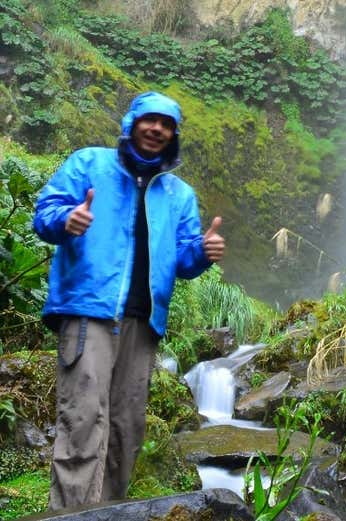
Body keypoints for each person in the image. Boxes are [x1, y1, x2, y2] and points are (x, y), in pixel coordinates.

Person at [33, 91, 225, 509]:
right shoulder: (89, 164)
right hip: (90, 312)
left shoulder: (178, 195)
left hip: (144, 323)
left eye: (166, 124)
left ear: (173, 135)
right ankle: (69, 516)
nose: (156, 129)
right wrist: (67, 219)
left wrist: (202, 253)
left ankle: (107, 512)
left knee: (125, 429)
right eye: (149, 120)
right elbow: (45, 212)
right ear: (131, 123)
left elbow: (184, 259)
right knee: (83, 419)